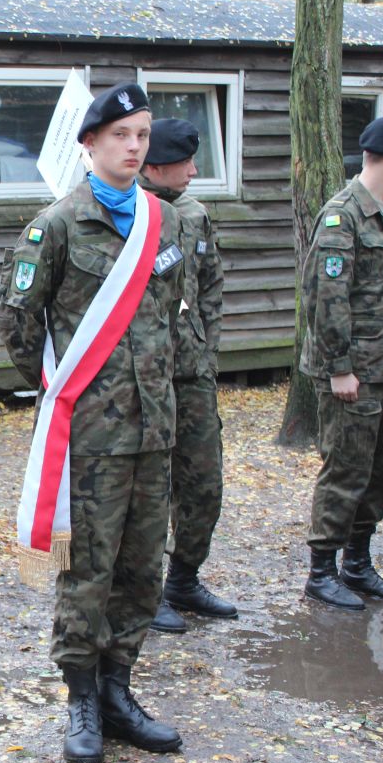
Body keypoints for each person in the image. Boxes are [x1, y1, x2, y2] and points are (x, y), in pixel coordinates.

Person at [0, 83, 184, 763]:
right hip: (90, 434)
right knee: (88, 568)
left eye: (142, 135)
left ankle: (118, 691)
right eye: (120, 136)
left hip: (154, 428)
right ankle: (80, 697)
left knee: (141, 566)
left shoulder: (166, 222)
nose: (134, 147)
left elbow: (172, 317)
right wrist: (65, 392)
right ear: (90, 143)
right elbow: (18, 322)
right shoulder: (56, 226)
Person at [299, 112, 383, 611]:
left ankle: (357, 562)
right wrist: (339, 369)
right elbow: (325, 298)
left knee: (380, 469)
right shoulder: (343, 215)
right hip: (353, 372)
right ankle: (321, 571)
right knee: (345, 470)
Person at [137, 118, 236, 635]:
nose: (195, 171)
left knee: (203, 483)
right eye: (185, 162)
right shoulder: (128, 212)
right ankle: (144, 591)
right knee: (149, 491)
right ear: (155, 167)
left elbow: (211, 285)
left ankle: (183, 579)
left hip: (193, 372)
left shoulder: (195, 215)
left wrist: (207, 349)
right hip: (142, 378)